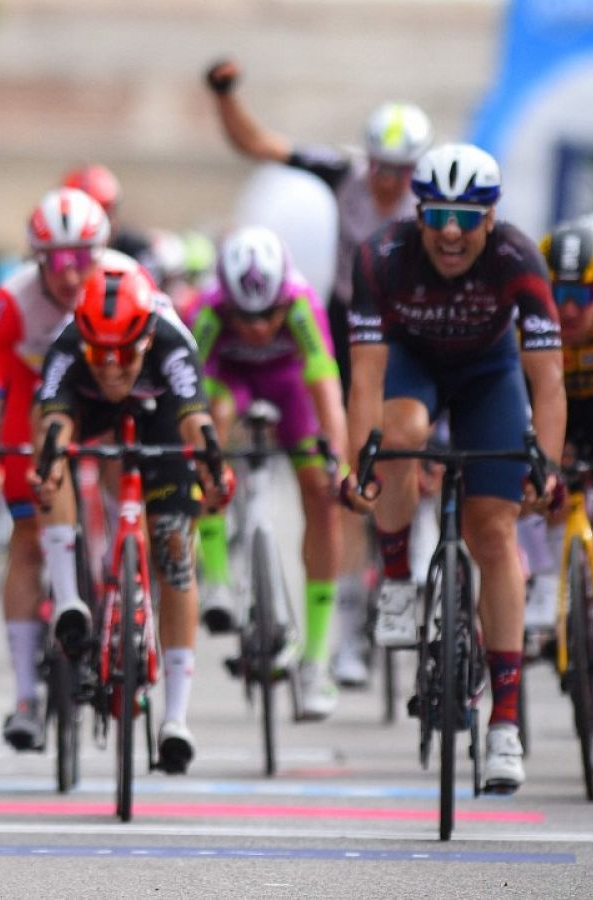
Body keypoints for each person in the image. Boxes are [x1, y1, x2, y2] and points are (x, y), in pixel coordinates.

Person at [339, 143, 564, 794]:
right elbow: (365, 379)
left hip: (490, 377)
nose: (451, 233)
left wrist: (544, 466)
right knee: (399, 437)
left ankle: (506, 726)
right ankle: (399, 578)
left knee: (491, 532)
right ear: (419, 213)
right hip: (413, 368)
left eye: (468, 218)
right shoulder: (381, 257)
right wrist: (364, 463)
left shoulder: (520, 259)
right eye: (437, 215)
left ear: (492, 218)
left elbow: (547, 383)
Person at [204, 57, 434, 685]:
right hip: (345, 324)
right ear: (367, 160)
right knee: (351, 471)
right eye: (382, 168)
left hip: (412, 332)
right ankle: (353, 627)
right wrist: (225, 95)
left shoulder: (433, 197)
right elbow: (258, 145)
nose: (389, 183)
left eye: (403, 172)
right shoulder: (342, 173)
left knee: (420, 457)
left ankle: (417, 564)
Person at [33, 264, 231, 774]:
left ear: (145, 336)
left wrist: (213, 467)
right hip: (88, 407)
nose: (114, 366)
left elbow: (195, 418)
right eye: (101, 353)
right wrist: (51, 463)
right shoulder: (69, 344)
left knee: (174, 550)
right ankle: (71, 601)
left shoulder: (171, 342)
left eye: (124, 352)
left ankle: (176, 719)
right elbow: (54, 416)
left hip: (161, 408)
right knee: (50, 453)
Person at [0, 186, 113, 750]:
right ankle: (26, 695)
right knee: (27, 540)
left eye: (83, 259)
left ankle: (120, 596)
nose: (71, 275)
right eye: (57, 261)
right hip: (31, 410)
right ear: (37, 259)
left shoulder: (123, 282)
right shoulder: (13, 301)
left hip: (101, 405)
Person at [189, 225, 347, 720]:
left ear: (284, 298)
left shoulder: (302, 306)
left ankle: (316, 661)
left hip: (289, 387)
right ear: (227, 301)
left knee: (321, 495)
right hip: (229, 384)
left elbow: (326, 388)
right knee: (208, 433)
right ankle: (215, 578)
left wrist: (337, 461)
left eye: (268, 315)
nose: (258, 328)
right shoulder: (209, 312)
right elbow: (188, 390)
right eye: (245, 317)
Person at [532, 213, 593, 643]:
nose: (570, 309)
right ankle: (543, 579)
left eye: (581, 294)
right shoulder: (530, 328)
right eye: (559, 293)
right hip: (550, 410)